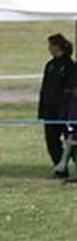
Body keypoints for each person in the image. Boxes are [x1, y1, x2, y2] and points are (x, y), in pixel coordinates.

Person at [38, 33, 74, 178]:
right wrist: (41, 109)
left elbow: (70, 90)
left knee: (71, 139)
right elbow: (44, 89)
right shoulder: (50, 65)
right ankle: (60, 168)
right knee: (51, 140)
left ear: (58, 46)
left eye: (51, 45)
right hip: (49, 109)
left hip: (65, 109)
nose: (49, 48)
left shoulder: (70, 66)